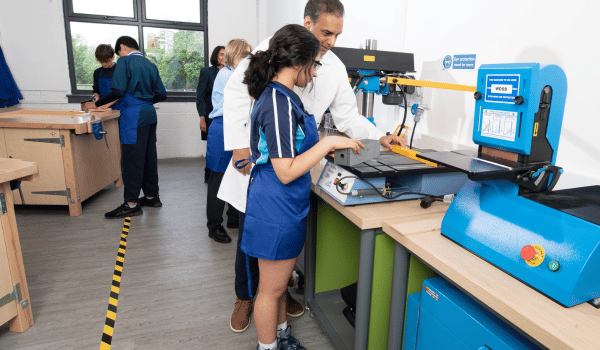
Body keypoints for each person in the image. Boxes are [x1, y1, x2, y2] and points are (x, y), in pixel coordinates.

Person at [220, 0, 407, 335]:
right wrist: (237, 144)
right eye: (326, 32)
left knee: (277, 253)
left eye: (337, 34)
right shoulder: (274, 48)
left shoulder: (333, 66)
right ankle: (247, 296)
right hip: (264, 164)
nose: (331, 40)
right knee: (254, 239)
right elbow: (236, 90)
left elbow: (349, 116)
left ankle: (276, 293)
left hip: (294, 166)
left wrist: (381, 136)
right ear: (308, 22)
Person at [242, 24, 364, 350]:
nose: (313, 75)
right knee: (270, 289)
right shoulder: (278, 102)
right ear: (299, 63)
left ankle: (282, 337)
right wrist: (329, 143)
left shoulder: (284, 97)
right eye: (313, 66)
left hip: (285, 203)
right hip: (276, 204)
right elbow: (285, 170)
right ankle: (267, 347)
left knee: (279, 286)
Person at [83, 36, 167, 219]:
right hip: (149, 113)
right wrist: (144, 100)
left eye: (118, 51)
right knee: (148, 157)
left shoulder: (124, 62)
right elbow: (161, 94)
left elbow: (118, 91)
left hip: (133, 116)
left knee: (131, 160)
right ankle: (152, 196)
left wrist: (97, 105)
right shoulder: (150, 64)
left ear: (121, 47)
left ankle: (131, 204)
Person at [205, 39, 251, 243]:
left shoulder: (237, 74)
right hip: (223, 127)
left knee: (238, 173)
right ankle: (214, 225)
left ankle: (233, 218)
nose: (249, 59)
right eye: (244, 55)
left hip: (236, 126)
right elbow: (244, 100)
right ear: (233, 56)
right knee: (217, 178)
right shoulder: (227, 75)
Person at [196, 45, 225, 183]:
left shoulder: (231, 72)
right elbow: (200, 96)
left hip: (225, 116)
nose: (224, 57)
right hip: (210, 115)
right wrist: (202, 117)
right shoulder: (206, 72)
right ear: (215, 56)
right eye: (221, 54)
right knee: (211, 146)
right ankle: (209, 174)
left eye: (226, 54)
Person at [91, 44, 118, 109]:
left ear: (113, 57)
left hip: (119, 108)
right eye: (101, 61)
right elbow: (96, 90)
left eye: (106, 61)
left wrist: (106, 105)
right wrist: (95, 96)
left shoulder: (120, 71)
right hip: (103, 108)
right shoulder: (97, 72)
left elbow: (121, 92)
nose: (103, 64)